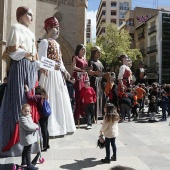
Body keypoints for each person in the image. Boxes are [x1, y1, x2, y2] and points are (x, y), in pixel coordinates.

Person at [0, 6, 39, 156]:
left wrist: (41, 66)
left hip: (30, 68)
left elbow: (34, 56)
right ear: (21, 15)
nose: (31, 17)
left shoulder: (31, 33)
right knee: (18, 101)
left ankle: (30, 142)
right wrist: (25, 52)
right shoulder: (15, 28)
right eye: (29, 14)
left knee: (29, 102)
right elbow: (12, 52)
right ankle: (14, 144)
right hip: (20, 67)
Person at [38, 17, 76, 136]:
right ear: (49, 27)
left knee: (59, 97)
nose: (58, 30)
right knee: (51, 97)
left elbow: (60, 61)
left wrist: (64, 70)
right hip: (49, 75)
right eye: (56, 28)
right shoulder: (44, 42)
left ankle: (60, 127)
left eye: (58, 28)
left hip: (58, 75)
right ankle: (50, 128)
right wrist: (53, 65)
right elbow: (41, 60)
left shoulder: (57, 44)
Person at [25, 85, 50, 151]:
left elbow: (29, 97)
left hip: (42, 115)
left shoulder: (38, 97)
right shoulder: (45, 96)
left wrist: (27, 90)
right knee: (46, 129)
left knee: (43, 130)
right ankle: (47, 144)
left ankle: (45, 146)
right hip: (46, 114)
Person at [19, 104, 39, 170]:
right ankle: (29, 165)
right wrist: (35, 127)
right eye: (25, 111)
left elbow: (32, 123)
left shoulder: (29, 116)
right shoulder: (22, 118)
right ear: (22, 111)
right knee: (28, 150)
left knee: (25, 149)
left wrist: (36, 125)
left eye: (28, 111)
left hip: (29, 137)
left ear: (30, 111)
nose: (27, 113)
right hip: (26, 137)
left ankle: (23, 163)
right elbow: (28, 127)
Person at [72, 44, 88, 121]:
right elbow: (73, 67)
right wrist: (81, 70)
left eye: (85, 49)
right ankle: (77, 115)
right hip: (78, 76)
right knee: (78, 94)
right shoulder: (75, 57)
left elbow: (86, 69)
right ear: (79, 50)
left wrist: (86, 74)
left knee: (84, 94)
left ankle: (83, 114)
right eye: (82, 49)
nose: (84, 51)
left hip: (84, 76)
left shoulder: (85, 59)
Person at [88, 46, 105, 119]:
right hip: (94, 82)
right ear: (94, 53)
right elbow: (89, 72)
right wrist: (95, 72)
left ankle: (101, 114)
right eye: (98, 52)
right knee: (95, 98)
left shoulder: (100, 62)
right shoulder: (91, 62)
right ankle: (94, 115)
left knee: (102, 98)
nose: (99, 53)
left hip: (101, 82)